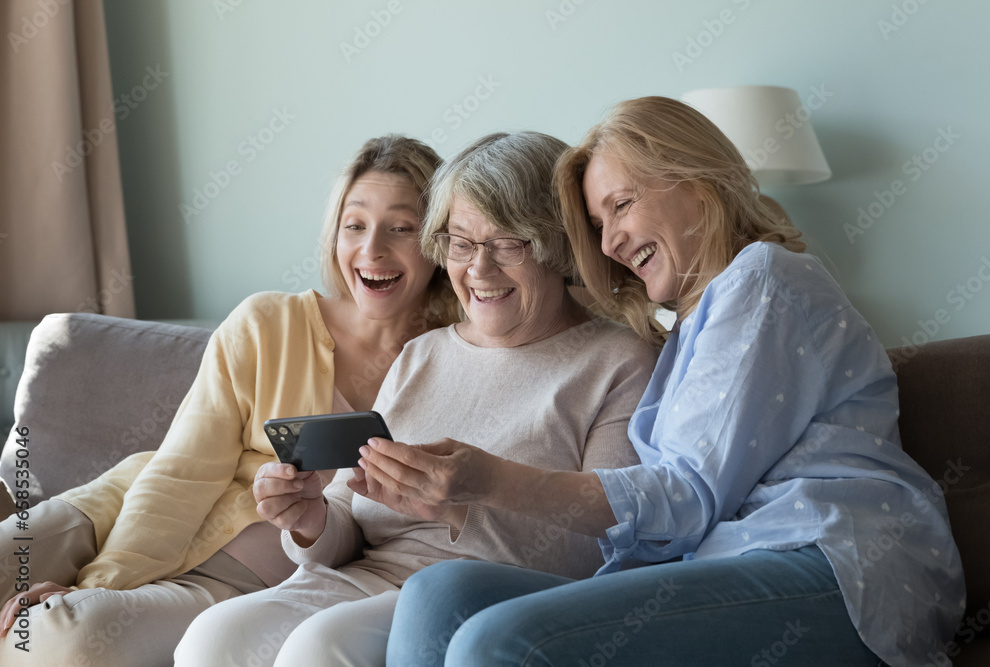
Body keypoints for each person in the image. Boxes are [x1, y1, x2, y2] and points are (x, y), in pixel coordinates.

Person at [377, 97, 966, 667]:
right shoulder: (688, 327)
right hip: (721, 563)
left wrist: (491, 481)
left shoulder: (761, 279)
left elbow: (685, 496)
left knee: (495, 643)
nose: (608, 242)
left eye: (622, 204)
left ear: (696, 181)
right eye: (596, 224)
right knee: (439, 594)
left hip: (833, 561)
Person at [174, 130, 658, 666]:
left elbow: (609, 547)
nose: (478, 269)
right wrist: (311, 518)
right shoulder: (422, 355)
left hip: (485, 597)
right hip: (364, 580)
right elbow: (350, 519)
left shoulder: (618, 362)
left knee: (319, 648)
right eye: (461, 243)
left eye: (507, 244)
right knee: (212, 637)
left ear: (556, 246)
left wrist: (459, 508)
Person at [0, 134, 458, 665]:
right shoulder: (267, 322)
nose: (372, 249)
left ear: (436, 241)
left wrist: (90, 600)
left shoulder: (455, 361)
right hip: (124, 508)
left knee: (56, 638)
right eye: (354, 225)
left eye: (401, 228)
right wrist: (103, 580)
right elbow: (183, 470)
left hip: (240, 579)